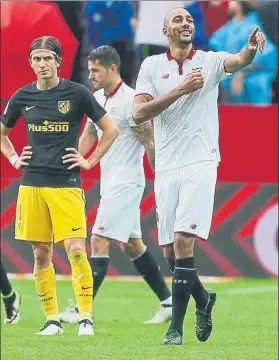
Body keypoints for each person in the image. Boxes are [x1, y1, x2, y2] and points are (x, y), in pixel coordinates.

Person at [132, 7, 265, 345]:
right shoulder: (151, 66)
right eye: (178, 20)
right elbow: (139, 113)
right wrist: (180, 89)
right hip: (166, 166)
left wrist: (250, 47)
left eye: (189, 19)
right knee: (170, 254)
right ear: (165, 30)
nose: (186, 23)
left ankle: (175, 329)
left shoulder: (208, 61)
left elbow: (239, 60)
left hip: (201, 162)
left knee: (183, 241)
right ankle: (204, 300)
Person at [0, 36, 119, 336]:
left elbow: (111, 129)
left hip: (66, 185)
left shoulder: (77, 93)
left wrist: (90, 161)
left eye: (47, 58)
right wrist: (14, 157)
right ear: (31, 63)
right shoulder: (22, 97)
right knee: (41, 253)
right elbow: (2, 134)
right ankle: (51, 320)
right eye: (36, 59)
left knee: (76, 249)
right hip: (32, 185)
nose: (42, 64)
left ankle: (85, 319)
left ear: (58, 62)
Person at [60, 45, 172, 325]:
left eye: (95, 70)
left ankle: (80, 308)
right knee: (132, 245)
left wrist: (161, 177)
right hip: (109, 181)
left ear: (112, 68)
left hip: (127, 182)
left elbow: (148, 141)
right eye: (89, 70)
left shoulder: (132, 102)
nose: (90, 75)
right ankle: (168, 302)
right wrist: (71, 164)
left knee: (98, 239)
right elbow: (88, 133)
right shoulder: (97, 98)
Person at [209, 1, 277, 105]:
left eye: (233, 1)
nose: (229, 3)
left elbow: (266, 53)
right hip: (230, 72)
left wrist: (242, 73)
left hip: (252, 74)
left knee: (254, 84)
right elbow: (214, 44)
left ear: (240, 6)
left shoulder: (253, 25)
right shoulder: (229, 27)